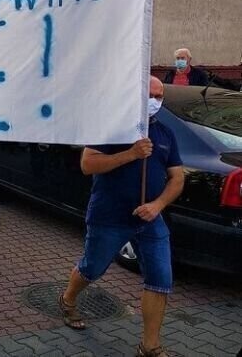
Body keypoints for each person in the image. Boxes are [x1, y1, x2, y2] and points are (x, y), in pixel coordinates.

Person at [59, 76, 183, 357]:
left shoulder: (165, 134)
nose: (154, 100)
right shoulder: (111, 127)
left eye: (159, 95)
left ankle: (150, 346)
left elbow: (177, 178)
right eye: (149, 94)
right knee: (92, 269)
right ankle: (68, 298)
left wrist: (158, 205)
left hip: (150, 220)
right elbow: (88, 164)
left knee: (160, 279)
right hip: (109, 218)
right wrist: (131, 153)